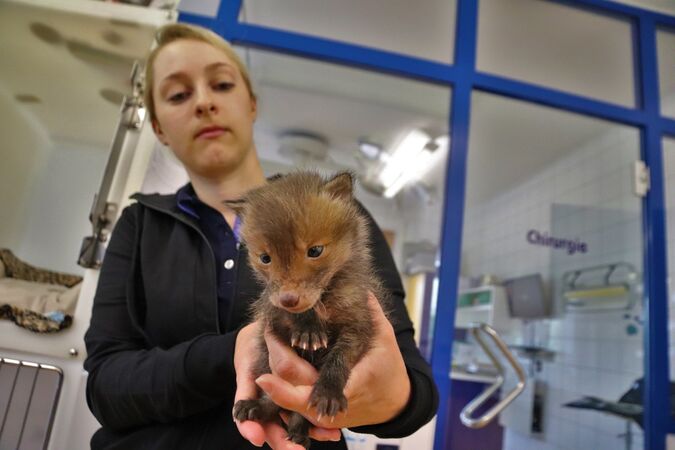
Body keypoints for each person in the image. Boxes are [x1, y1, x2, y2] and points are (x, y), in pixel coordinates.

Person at [83, 22, 438, 450]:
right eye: (179, 94)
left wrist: (391, 399)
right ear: (158, 128)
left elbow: (414, 385)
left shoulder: (334, 211)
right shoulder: (139, 224)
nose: (205, 103)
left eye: (221, 84)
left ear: (251, 104)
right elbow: (105, 385)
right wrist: (233, 352)